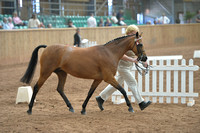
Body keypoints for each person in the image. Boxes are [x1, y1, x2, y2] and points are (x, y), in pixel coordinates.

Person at [96, 24, 152, 112]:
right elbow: (120, 54)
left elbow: (139, 51)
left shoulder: (134, 41)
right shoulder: (123, 42)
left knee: (115, 85)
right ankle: (141, 103)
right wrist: (132, 59)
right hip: (122, 67)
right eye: (134, 33)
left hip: (128, 66)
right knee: (132, 82)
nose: (135, 35)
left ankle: (101, 98)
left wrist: (145, 61)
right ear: (129, 33)